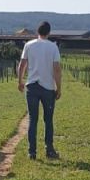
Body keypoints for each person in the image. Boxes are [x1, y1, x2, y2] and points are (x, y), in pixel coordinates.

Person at [17, 21, 62, 160]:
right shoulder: (53, 47)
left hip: (32, 86)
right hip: (47, 88)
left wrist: (20, 81)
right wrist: (58, 87)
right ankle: (49, 150)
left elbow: (22, 65)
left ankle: (32, 152)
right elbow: (56, 69)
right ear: (49, 32)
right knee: (48, 120)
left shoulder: (29, 45)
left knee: (33, 119)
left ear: (38, 32)